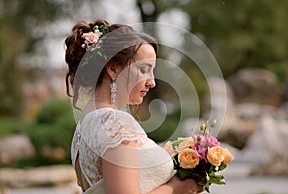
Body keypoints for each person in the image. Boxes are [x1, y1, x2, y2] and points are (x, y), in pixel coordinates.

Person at [64, 19, 204, 194]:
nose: (152, 82)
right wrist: (179, 186)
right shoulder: (115, 123)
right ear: (113, 68)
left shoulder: (84, 126)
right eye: (144, 69)